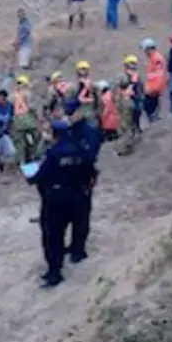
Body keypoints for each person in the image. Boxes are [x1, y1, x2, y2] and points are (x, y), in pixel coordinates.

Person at [27, 117, 94, 289]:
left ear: (55, 134)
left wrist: (30, 177)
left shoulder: (53, 153)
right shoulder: (81, 149)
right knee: (80, 225)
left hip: (56, 199)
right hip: (79, 195)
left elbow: (39, 177)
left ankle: (55, 272)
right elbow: (91, 171)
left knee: (53, 236)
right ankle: (78, 252)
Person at [64, 99, 101, 263]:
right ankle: (73, 245)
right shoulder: (70, 131)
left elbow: (90, 155)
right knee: (71, 214)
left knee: (82, 217)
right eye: (68, 114)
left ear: (78, 112)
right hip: (69, 178)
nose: (70, 117)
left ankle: (79, 249)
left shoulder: (89, 131)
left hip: (83, 178)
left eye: (71, 113)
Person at [12, 75, 43, 163]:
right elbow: (32, 108)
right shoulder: (27, 94)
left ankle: (21, 162)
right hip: (29, 122)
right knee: (37, 138)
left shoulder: (13, 95)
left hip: (17, 123)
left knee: (19, 144)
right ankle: (34, 157)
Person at [141, 39, 167, 122]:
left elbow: (159, 76)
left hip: (154, 90)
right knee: (147, 107)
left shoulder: (157, 59)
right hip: (152, 88)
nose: (144, 52)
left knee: (150, 109)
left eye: (145, 50)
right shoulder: (153, 58)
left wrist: (153, 89)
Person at [115, 77, 142, 155]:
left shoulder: (120, 97)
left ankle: (124, 148)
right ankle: (125, 149)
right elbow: (133, 107)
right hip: (126, 119)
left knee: (125, 131)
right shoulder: (126, 100)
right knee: (128, 132)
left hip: (123, 118)